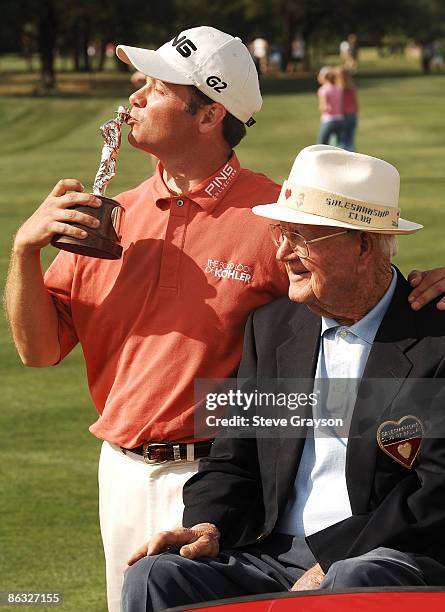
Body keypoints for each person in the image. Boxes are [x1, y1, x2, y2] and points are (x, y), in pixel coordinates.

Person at [4, 26, 445, 611]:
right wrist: (23, 253)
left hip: (222, 467)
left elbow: (367, 294)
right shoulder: (113, 215)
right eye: (285, 234)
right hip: (137, 471)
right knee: (145, 587)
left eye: (154, 88)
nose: (132, 99)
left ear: (209, 114)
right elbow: (40, 350)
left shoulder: (268, 216)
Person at [121, 145, 445, 611]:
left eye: (300, 238)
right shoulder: (272, 327)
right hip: (276, 556)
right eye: (279, 233)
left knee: (355, 581)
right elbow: (236, 455)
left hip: (387, 556)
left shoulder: (436, 337)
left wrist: (334, 558)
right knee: (157, 576)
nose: (281, 253)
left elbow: (434, 489)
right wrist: (208, 525)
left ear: (364, 244)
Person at [317, 66, 343, 146]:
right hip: (339, 119)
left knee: (321, 146)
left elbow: (324, 107)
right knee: (337, 146)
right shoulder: (338, 88)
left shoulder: (323, 90)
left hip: (328, 120)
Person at [335, 65, 358, 151]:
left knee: (341, 141)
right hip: (352, 115)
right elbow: (355, 103)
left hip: (342, 115)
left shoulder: (338, 89)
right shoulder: (352, 87)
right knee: (350, 141)